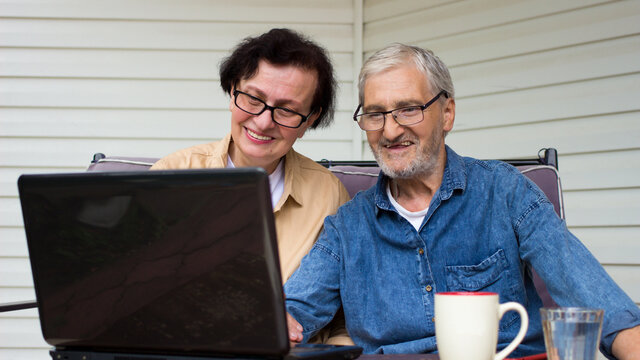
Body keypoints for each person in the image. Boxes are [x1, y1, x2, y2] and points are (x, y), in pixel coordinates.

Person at [284, 43, 640, 359]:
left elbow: (597, 300)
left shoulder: (506, 192)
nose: (390, 131)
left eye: (408, 109)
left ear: (448, 113)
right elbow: (294, 310)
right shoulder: (348, 225)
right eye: (375, 114)